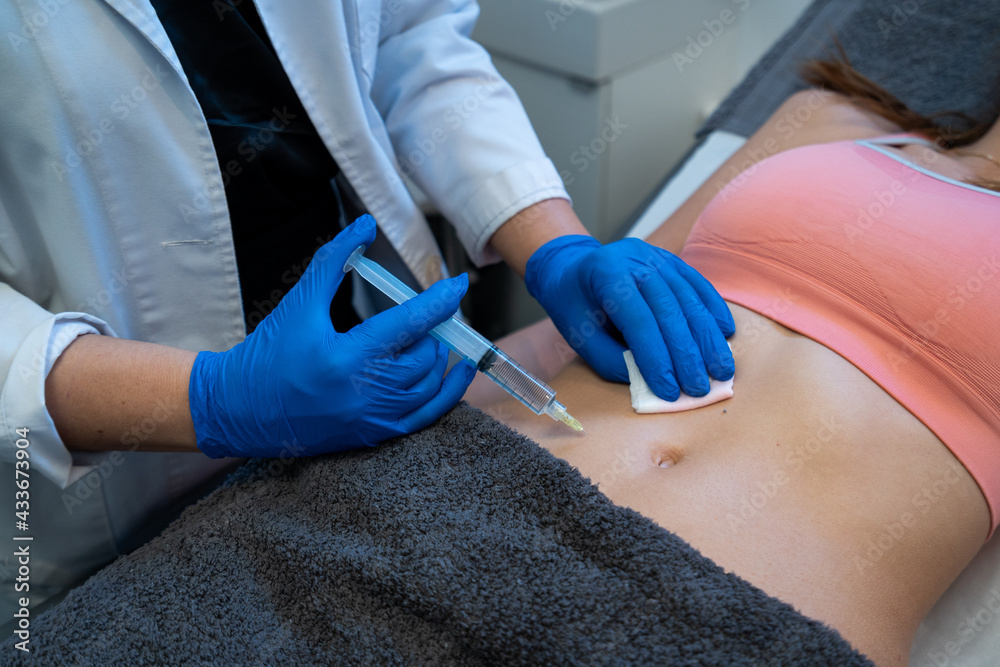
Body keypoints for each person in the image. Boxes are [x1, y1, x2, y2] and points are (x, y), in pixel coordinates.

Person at [0, 1, 734, 617]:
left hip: (343, 356)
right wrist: (215, 398)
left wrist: (554, 246)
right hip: (88, 472)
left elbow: (408, 39)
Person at [464, 55, 1000, 666]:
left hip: (752, 627)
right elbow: (576, 327)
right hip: (471, 499)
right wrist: (436, 380)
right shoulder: (827, 121)